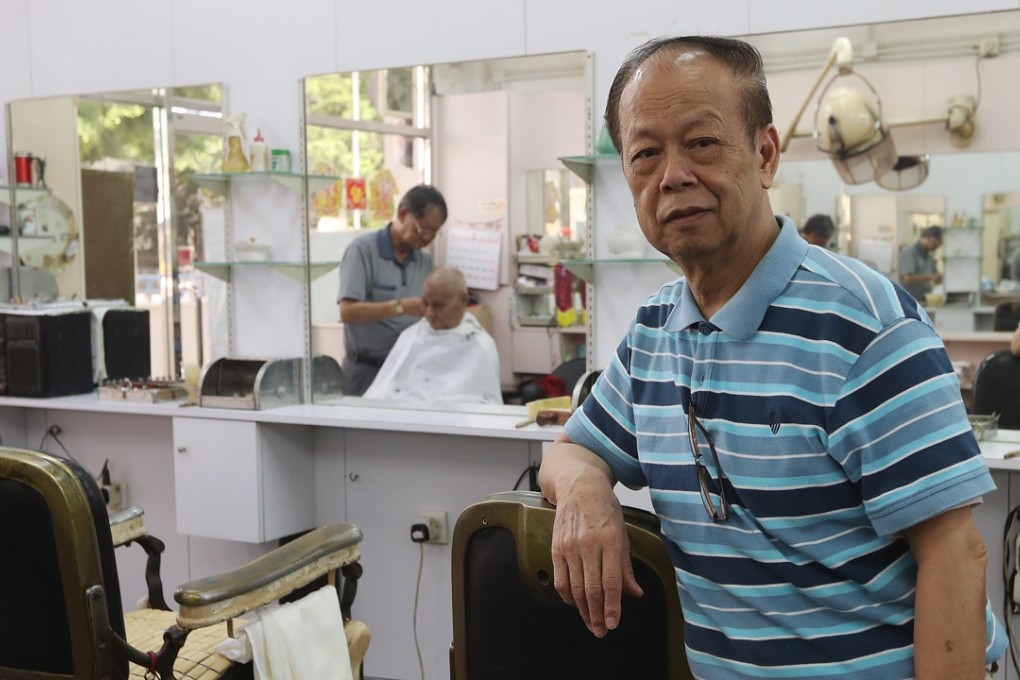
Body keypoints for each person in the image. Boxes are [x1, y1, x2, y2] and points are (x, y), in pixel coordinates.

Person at [538, 35, 1005, 679]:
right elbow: (572, 450)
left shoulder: (865, 328)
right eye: (646, 153)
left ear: (764, 153)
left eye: (702, 142)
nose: (672, 174)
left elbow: (956, 554)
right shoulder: (652, 332)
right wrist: (587, 488)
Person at [337, 184, 447, 396]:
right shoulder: (362, 251)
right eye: (423, 229)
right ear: (403, 213)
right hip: (366, 371)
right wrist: (401, 307)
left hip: (409, 372)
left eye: (434, 233)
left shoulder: (424, 262)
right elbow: (347, 312)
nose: (426, 238)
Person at [362, 267, 502, 404]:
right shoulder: (411, 335)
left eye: (438, 305)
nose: (429, 313)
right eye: (425, 303)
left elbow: (484, 407)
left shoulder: (479, 345)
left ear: (463, 301)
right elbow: (384, 388)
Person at [899, 225, 943, 301]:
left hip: (924, 299)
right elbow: (907, 279)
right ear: (928, 237)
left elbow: (935, 277)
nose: (936, 247)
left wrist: (940, 277)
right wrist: (931, 277)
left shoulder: (929, 256)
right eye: (935, 244)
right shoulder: (909, 253)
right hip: (909, 301)